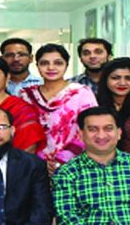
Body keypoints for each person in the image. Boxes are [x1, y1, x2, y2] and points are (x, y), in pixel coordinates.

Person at [18, 43, 96, 173]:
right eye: (44, 63)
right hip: (34, 165)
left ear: (66, 65)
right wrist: (40, 161)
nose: (51, 67)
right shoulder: (25, 95)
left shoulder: (81, 92)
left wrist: (61, 160)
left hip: (75, 165)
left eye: (58, 63)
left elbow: (91, 128)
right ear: (37, 66)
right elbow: (22, 132)